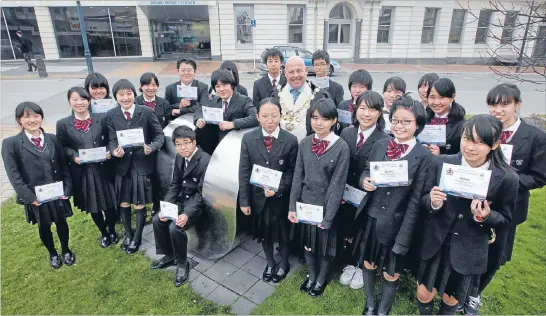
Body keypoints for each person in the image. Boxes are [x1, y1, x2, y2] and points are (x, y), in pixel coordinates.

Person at [416, 115, 518, 315]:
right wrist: (433, 202)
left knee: (452, 298)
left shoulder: (507, 178)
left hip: (469, 247)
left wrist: (485, 216)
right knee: (423, 293)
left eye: (480, 142)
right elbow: (424, 199)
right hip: (437, 241)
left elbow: (505, 219)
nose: (470, 147)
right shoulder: (442, 163)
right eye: (467, 139)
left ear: (495, 144)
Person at [462, 84, 546, 315]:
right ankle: (462, 290)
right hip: (474, 200)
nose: (497, 110)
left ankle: (474, 296)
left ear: (517, 104)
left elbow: (539, 177)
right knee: (470, 248)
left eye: (504, 104)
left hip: (508, 206)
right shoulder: (484, 130)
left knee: (494, 254)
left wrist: (506, 181)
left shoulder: (535, 137)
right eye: (493, 104)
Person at [355, 95, 431, 315]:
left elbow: (417, 201)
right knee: (368, 262)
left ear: (418, 124)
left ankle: (384, 308)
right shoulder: (380, 145)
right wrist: (364, 180)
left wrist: (404, 237)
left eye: (406, 121)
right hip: (372, 217)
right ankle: (370, 303)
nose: (399, 126)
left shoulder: (423, 157)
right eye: (396, 120)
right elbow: (367, 171)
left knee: (392, 271)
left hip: (398, 224)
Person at [288, 98, 350, 297]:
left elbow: (337, 184)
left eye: (324, 118)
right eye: (315, 118)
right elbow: (298, 176)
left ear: (333, 121)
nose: (319, 123)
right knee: (307, 244)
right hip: (306, 206)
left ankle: (321, 279)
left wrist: (329, 216)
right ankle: (312, 275)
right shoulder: (305, 143)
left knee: (324, 248)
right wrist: (292, 207)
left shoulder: (341, 147)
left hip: (325, 208)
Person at [2, 102, 75, 269]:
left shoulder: (52, 139)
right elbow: (14, 176)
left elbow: (64, 167)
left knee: (62, 222)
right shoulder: (10, 144)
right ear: (19, 120)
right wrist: (30, 197)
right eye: (27, 117)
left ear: (41, 117)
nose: (32, 120)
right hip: (37, 197)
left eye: (36, 115)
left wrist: (67, 189)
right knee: (44, 226)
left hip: (57, 193)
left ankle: (66, 250)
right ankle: (53, 254)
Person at [239, 98, 299, 283]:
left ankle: (283, 264)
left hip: (281, 199)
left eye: (274, 115)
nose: (270, 120)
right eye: (264, 116)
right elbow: (244, 170)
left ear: (281, 116)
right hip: (258, 198)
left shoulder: (290, 140)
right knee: (264, 233)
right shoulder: (249, 138)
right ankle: (270, 262)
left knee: (282, 234)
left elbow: (292, 172)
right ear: (257, 117)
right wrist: (244, 201)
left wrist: (279, 188)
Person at [338, 91, 390, 290]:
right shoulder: (347, 133)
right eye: (362, 108)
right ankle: (347, 261)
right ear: (355, 109)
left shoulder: (384, 140)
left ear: (380, 113)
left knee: (363, 231)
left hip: (368, 196)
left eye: (372, 109)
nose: (366, 114)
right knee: (347, 227)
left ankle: (358, 265)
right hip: (345, 193)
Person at [106, 79, 165, 254]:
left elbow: (159, 135)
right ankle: (128, 233)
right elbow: (111, 139)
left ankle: (137, 237)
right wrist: (114, 150)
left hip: (141, 164)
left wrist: (151, 148)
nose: (125, 98)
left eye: (129, 94)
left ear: (134, 94)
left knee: (139, 202)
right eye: (121, 94)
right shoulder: (111, 115)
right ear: (115, 97)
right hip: (122, 166)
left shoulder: (145, 111)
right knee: (124, 202)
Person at [56, 87, 118, 248]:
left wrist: (109, 151)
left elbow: (111, 139)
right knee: (94, 206)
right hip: (83, 172)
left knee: (111, 204)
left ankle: (111, 229)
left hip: (103, 168)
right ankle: (103, 232)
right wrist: (73, 156)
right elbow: (62, 146)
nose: (79, 102)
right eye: (75, 99)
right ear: (69, 102)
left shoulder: (102, 118)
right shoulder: (63, 124)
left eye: (82, 99)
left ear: (88, 100)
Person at [151, 126, 211, 287]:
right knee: (157, 219)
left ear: (194, 142)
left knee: (175, 228)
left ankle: (183, 264)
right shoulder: (179, 157)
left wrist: (187, 214)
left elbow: (201, 194)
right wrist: (167, 207)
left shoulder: (205, 160)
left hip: (197, 205)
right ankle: (169, 255)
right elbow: (175, 184)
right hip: (180, 200)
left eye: (186, 143)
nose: (182, 148)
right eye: (178, 144)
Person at [194, 69, 258, 155]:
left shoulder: (243, 100)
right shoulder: (214, 100)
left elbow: (255, 117)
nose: (221, 89)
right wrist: (198, 119)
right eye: (217, 86)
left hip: (236, 145)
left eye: (224, 85)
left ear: (231, 85)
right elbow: (200, 109)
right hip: (216, 146)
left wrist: (233, 124)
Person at [272, 56, 321, 141]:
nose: (295, 75)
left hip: (308, 148)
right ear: (285, 73)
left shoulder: (318, 95)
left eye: (299, 71)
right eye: (291, 72)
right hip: (281, 148)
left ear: (306, 70)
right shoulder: (276, 94)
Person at [424, 78, 466, 155]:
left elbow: (463, 155)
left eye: (441, 97)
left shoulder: (462, 125)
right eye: (432, 97)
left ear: (452, 97)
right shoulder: (422, 120)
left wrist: (441, 154)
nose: (436, 102)